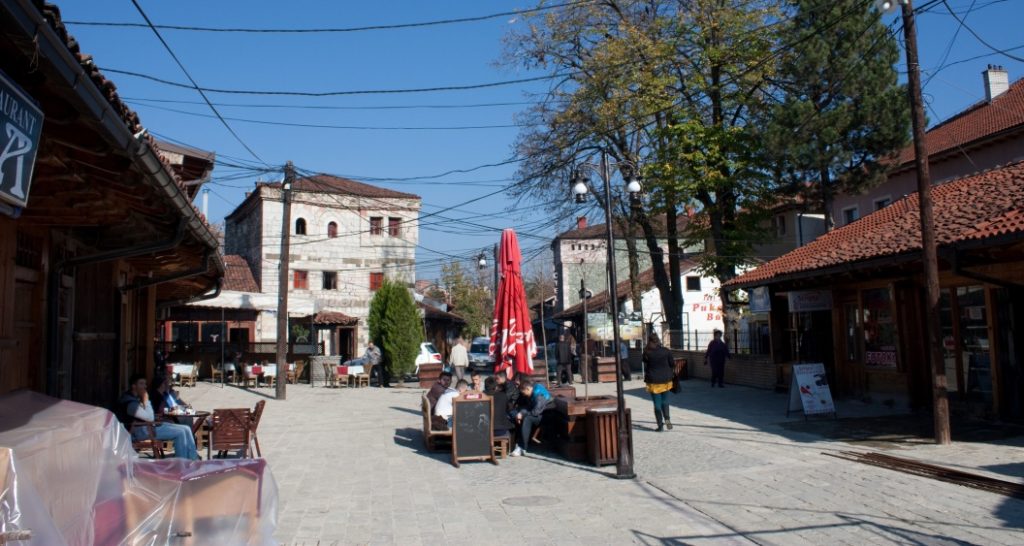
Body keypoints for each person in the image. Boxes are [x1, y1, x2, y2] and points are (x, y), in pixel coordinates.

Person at [118, 373, 198, 460]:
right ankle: (181, 463)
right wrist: (146, 399)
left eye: (145, 384)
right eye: (141, 384)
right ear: (134, 386)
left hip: (148, 426)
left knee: (186, 428)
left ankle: (193, 459)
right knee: (180, 432)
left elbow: (148, 417)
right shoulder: (130, 403)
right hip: (139, 431)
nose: (144, 386)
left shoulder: (136, 398)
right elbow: (149, 417)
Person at [511, 378, 553, 457]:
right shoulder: (533, 390)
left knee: (527, 418)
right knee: (519, 415)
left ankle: (522, 447)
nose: (524, 395)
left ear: (528, 388)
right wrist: (520, 413)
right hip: (541, 413)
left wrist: (523, 415)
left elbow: (535, 412)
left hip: (547, 415)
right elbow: (529, 407)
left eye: (524, 393)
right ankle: (520, 443)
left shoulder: (538, 395)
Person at [642, 335, 675, 431]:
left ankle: (660, 425)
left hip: (654, 381)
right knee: (665, 401)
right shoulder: (666, 351)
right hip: (666, 380)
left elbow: (645, 362)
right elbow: (672, 364)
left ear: (650, 341)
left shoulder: (647, 352)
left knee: (657, 404)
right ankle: (667, 419)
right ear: (659, 341)